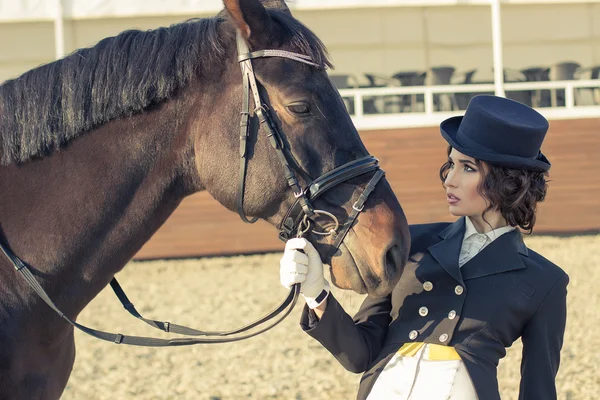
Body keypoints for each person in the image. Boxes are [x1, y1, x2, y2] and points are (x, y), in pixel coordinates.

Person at [279, 95, 569, 400]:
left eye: (468, 168)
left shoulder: (545, 281)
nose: (449, 181)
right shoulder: (409, 242)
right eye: (451, 165)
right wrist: (317, 292)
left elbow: (539, 389)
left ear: (507, 181)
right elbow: (358, 355)